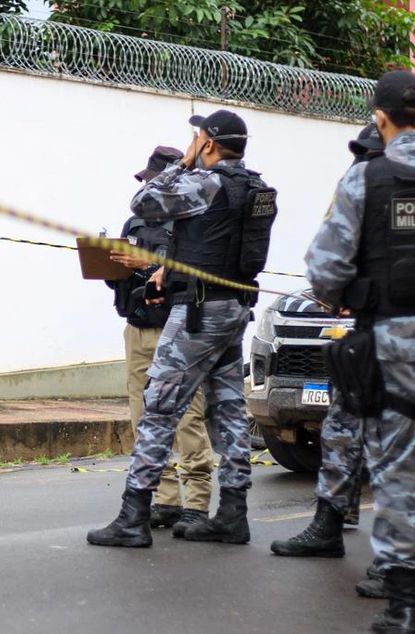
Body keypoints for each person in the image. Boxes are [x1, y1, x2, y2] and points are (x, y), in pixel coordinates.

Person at [87, 109, 276, 548]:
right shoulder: (256, 188)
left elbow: (144, 201)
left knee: (158, 407)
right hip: (232, 311)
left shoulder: (205, 182)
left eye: (197, 139)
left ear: (208, 143)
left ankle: (134, 515)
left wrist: (184, 160)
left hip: (197, 314)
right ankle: (232, 513)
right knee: (229, 412)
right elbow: (218, 244)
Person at [301, 70, 415, 634]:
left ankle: (404, 601)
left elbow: (325, 271)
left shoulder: (366, 178)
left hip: (394, 345)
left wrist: (343, 292)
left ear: (381, 118)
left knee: (396, 467)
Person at [269, 123, 388, 603]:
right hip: (363, 331)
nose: (363, 162)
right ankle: (329, 523)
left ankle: (398, 559)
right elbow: (332, 255)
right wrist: (338, 295)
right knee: (342, 426)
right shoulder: (360, 183)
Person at [107, 146, 213, 536]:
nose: (146, 187)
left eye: (151, 179)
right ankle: (166, 501)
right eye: (144, 181)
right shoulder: (132, 224)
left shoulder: (194, 224)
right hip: (136, 328)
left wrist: (151, 266)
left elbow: (195, 278)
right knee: (143, 418)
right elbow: (118, 278)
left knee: (187, 418)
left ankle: (197, 505)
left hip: (179, 331)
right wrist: (110, 264)